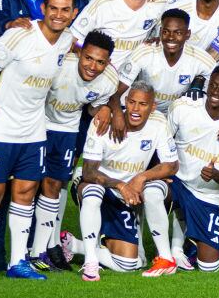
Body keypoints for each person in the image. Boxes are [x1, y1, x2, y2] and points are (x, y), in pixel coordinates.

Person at [0, 0, 77, 283]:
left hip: (34, 131)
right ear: (43, 9)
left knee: (25, 196)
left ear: (72, 14)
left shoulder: (67, 40)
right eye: (53, 8)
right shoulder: (18, 35)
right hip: (1, 127)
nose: (58, 15)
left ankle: (18, 261)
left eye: (65, 10)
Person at [28, 31, 119, 271]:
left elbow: (92, 107)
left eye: (100, 62)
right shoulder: (59, 66)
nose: (93, 66)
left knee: (54, 186)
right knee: (28, 186)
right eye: (88, 58)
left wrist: (104, 109)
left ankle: (40, 252)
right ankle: (27, 249)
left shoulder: (109, 79)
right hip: (39, 126)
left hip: (67, 131)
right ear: (79, 53)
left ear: (108, 62)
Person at [72, 81, 179, 281]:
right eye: (131, 102)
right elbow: (88, 172)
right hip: (100, 184)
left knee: (130, 264)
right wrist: (120, 185)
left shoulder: (158, 123)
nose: (136, 109)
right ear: (125, 102)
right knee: (93, 192)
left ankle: (73, 245)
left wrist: (142, 177)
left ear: (153, 107)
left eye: (143, 104)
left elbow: (172, 165)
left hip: (129, 192)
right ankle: (91, 261)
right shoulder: (103, 121)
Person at [160, 66, 219, 274]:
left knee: (209, 268)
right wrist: (160, 173)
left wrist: (215, 175)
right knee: (155, 189)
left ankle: (208, 241)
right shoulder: (183, 108)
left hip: (207, 195)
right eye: (213, 86)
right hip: (179, 183)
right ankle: (170, 253)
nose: (216, 92)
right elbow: (161, 144)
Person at [113, 9, 219, 114]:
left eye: (178, 33)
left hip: (177, 114)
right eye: (166, 32)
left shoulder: (198, 57)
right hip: (144, 112)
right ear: (160, 32)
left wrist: (199, 82)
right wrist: (117, 115)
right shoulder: (145, 52)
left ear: (187, 34)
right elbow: (115, 93)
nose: (171, 37)